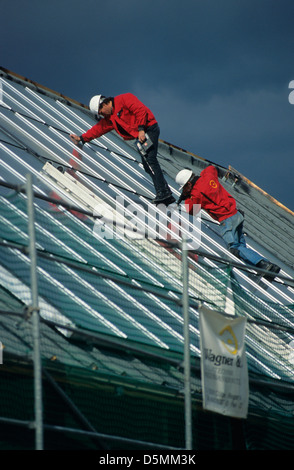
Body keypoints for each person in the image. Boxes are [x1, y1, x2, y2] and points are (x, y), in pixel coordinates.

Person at [176, 165, 281, 280]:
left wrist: (187, 196)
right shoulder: (208, 176)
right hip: (236, 214)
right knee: (241, 246)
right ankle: (269, 268)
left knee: (234, 249)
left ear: (189, 184)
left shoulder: (196, 194)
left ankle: (263, 265)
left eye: (185, 187)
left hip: (227, 220)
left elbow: (191, 210)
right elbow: (212, 168)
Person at [70, 93, 175, 205]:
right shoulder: (110, 118)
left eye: (101, 112)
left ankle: (163, 192)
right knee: (147, 165)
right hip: (141, 134)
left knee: (150, 160)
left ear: (104, 104)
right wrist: (81, 138)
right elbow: (98, 129)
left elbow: (140, 110)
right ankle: (165, 192)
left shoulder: (124, 98)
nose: (102, 115)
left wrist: (141, 129)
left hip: (149, 129)